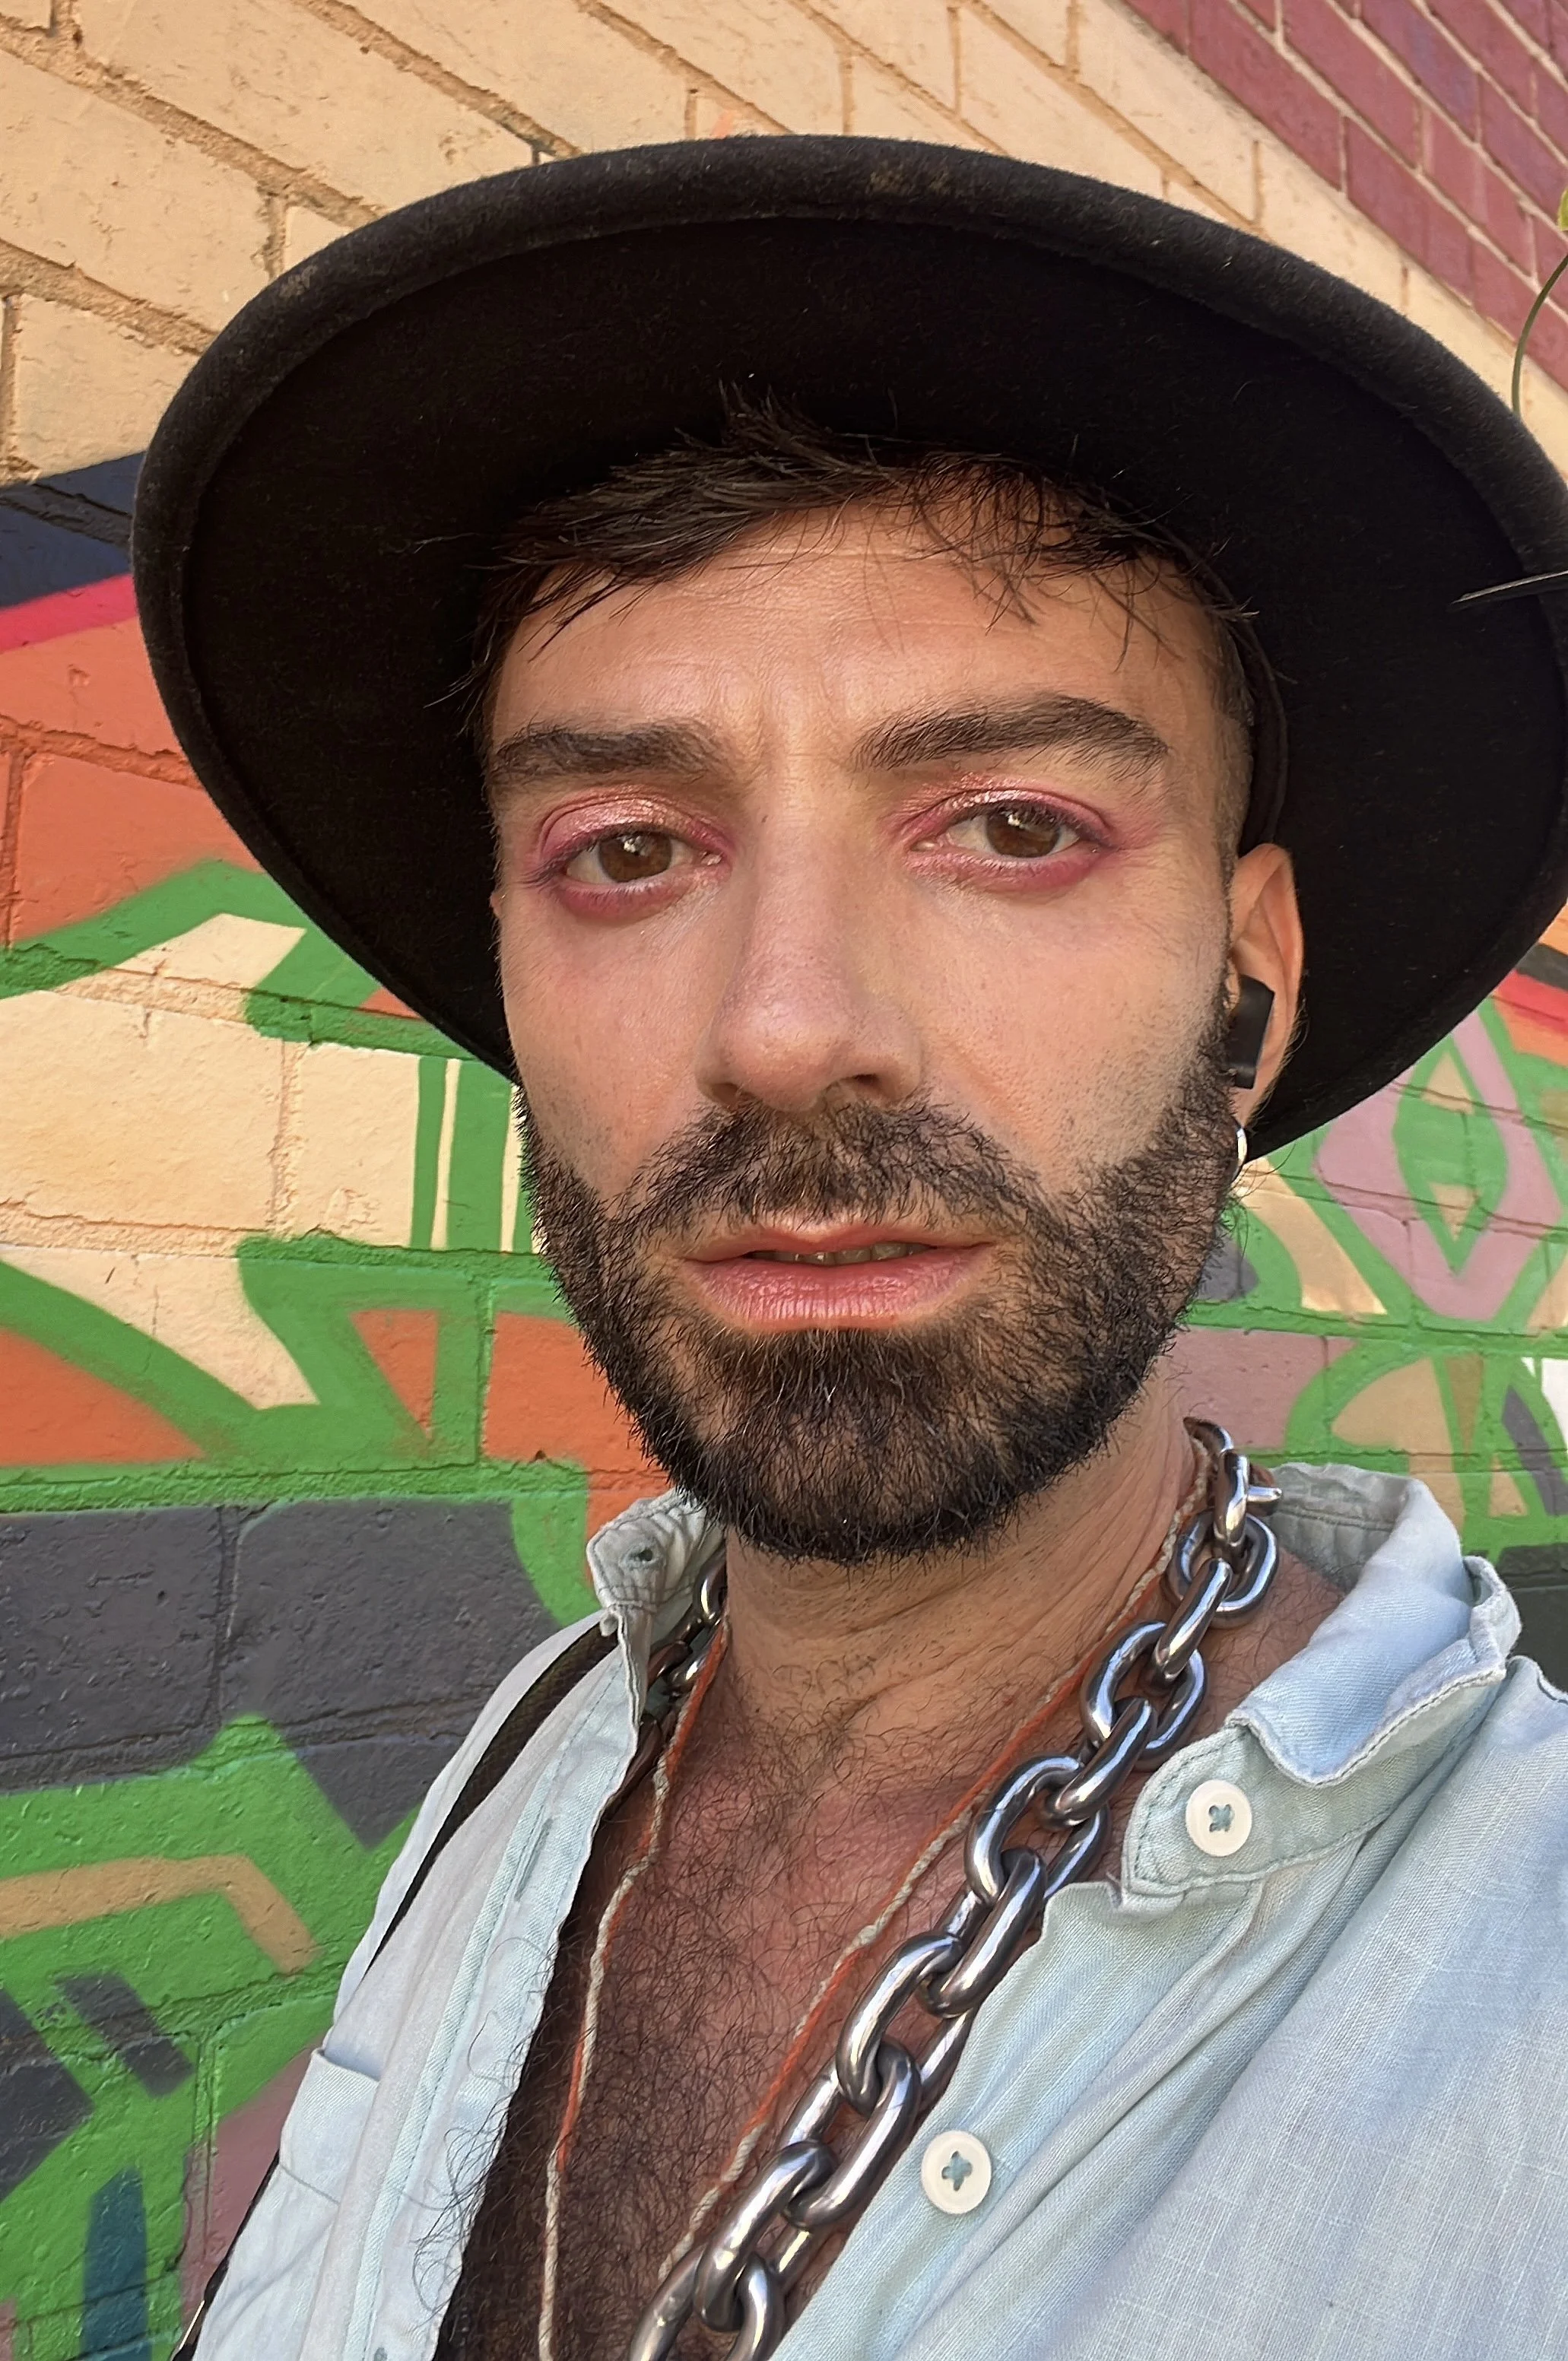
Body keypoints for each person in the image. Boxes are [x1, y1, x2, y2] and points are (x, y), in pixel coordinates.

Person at [135, 138, 1568, 2361]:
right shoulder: (531, 1755)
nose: (787, 1030)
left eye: (1011, 828)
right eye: (624, 848)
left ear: (1247, 980)